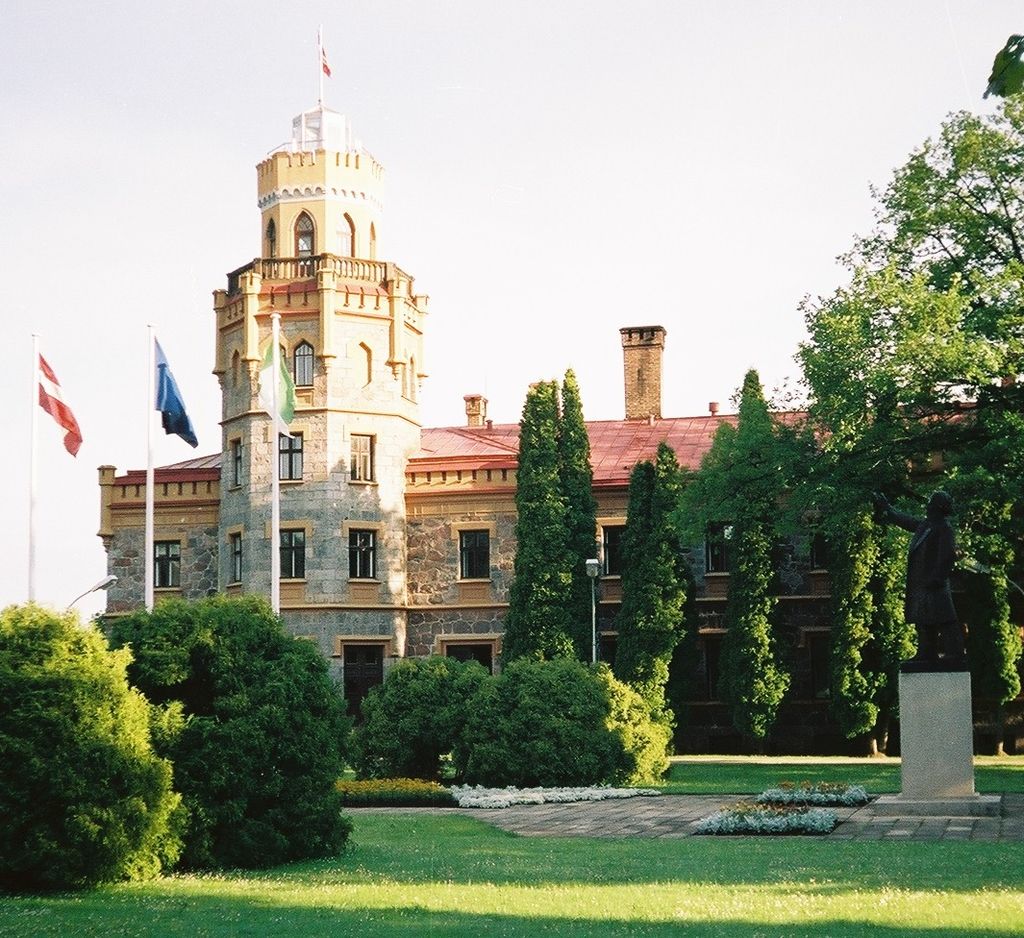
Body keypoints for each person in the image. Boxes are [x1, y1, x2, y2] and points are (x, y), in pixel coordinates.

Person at [874, 490, 967, 670]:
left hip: (935, 583)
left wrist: (937, 578)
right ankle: (926, 652)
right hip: (923, 584)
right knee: (924, 620)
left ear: (938, 507)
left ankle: (955, 654)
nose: (927, 505)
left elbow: (947, 554)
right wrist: (888, 509)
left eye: (931, 503)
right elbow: (907, 521)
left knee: (945, 620)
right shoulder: (927, 525)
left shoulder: (944, 528)